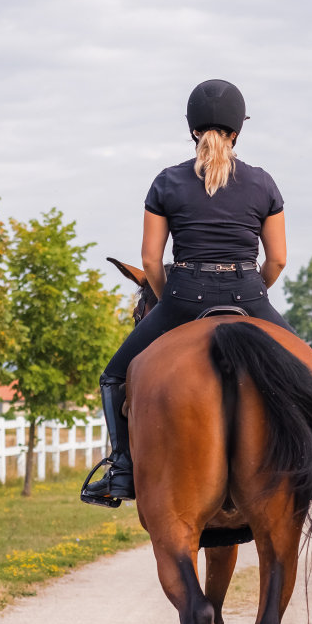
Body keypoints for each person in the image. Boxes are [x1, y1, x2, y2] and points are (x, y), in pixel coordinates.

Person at [82, 79, 294, 506]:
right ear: (238, 129)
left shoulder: (167, 182)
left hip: (183, 295)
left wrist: (169, 300)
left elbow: (151, 261)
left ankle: (121, 468)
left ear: (193, 128)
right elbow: (277, 261)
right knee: (306, 369)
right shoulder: (263, 183)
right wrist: (252, 293)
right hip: (249, 293)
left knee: (114, 375)